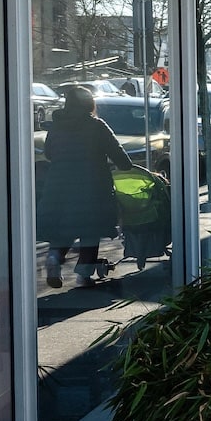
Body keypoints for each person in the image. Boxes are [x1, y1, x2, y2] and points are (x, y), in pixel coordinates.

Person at [37, 85, 134, 288]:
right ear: (90, 104)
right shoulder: (97, 126)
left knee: (64, 227)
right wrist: (123, 165)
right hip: (92, 186)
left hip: (59, 186)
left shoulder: (56, 127)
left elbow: (49, 154)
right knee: (90, 229)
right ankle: (84, 273)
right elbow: (121, 158)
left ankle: (54, 257)